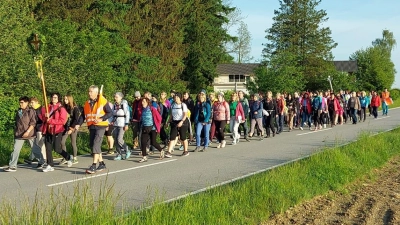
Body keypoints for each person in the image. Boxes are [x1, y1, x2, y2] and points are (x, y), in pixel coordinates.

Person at [4, 96, 43, 172]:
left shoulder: (30, 111)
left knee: (35, 149)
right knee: (15, 149)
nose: (20, 104)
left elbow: (33, 123)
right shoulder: (18, 111)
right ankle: (12, 166)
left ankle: (41, 161)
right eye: (20, 102)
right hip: (19, 134)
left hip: (29, 133)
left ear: (27, 103)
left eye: (22, 102)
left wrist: (28, 131)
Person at [83, 85, 113, 174]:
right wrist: (76, 125)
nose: (89, 93)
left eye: (91, 92)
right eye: (89, 91)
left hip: (100, 126)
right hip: (92, 126)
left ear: (96, 93)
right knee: (93, 145)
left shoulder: (102, 101)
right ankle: (102, 163)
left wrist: (101, 119)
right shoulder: (87, 103)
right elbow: (84, 115)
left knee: (96, 144)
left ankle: (93, 165)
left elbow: (110, 113)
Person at [41, 93, 73, 172]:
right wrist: (45, 116)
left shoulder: (61, 109)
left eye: (55, 97)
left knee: (57, 149)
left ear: (58, 99)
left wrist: (51, 120)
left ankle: (68, 157)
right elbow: (43, 119)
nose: (53, 99)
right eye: (52, 97)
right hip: (48, 130)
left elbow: (62, 121)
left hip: (57, 130)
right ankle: (50, 165)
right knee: (48, 148)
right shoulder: (48, 107)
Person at [138, 97, 163, 162]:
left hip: (152, 128)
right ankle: (144, 157)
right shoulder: (142, 110)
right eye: (142, 102)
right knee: (143, 142)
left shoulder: (152, 109)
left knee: (153, 142)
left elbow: (159, 118)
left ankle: (161, 150)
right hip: (145, 128)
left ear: (147, 102)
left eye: (144, 102)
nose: (142, 103)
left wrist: (157, 125)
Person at [165, 93, 190, 157]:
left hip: (183, 122)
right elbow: (171, 115)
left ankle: (186, 151)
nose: (176, 99)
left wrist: (181, 121)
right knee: (172, 137)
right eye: (175, 97)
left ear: (180, 98)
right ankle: (169, 152)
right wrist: (167, 122)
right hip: (174, 122)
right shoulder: (172, 105)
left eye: (177, 97)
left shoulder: (183, 105)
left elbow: (185, 115)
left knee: (183, 137)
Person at [24, 97, 46, 168]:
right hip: (35, 129)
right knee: (36, 145)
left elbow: (44, 119)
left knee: (39, 145)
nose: (31, 104)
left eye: (32, 103)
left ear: (37, 102)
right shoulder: (32, 109)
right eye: (30, 103)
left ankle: (43, 160)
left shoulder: (41, 108)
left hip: (41, 129)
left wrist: (43, 129)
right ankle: (32, 158)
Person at [60, 94, 82, 165]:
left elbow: (76, 119)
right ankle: (65, 157)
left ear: (70, 99)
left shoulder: (75, 108)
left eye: (66, 99)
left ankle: (75, 158)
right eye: (64, 99)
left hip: (73, 127)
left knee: (73, 143)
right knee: (62, 142)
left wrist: (72, 128)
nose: (65, 100)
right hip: (66, 127)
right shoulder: (64, 107)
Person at [112, 92, 131, 160]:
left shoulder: (124, 105)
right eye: (115, 97)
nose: (115, 98)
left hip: (122, 124)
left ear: (121, 97)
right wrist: (110, 123)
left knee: (119, 139)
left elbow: (127, 114)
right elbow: (112, 115)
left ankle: (127, 149)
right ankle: (119, 154)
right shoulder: (114, 105)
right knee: (116, 140)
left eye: (116, 97)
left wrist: (126, 124)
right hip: (115, 124)